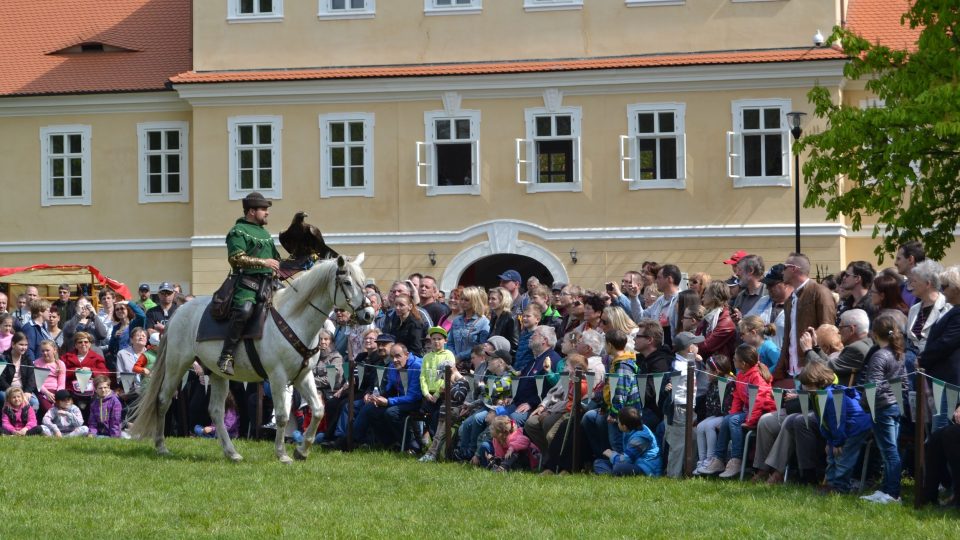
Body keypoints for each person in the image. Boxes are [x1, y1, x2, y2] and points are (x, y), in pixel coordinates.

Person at [217, 191, 281, 376]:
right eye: (263, 209)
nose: (267, 212)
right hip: (246, 284)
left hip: (269, 283)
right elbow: (236, 258)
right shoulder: (237, 231)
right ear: (251, 211)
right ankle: (226, 356)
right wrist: (264, 263)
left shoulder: (266, 234)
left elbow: (275, 259)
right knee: (244, 311)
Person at [701, 344, 775, 478]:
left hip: (762, 411)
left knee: (734, 420)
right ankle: (719, 459)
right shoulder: (741, 374)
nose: (733, 361)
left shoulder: (757, 377)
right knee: (729, 419)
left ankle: (736, 460)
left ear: (744, 363)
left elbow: (758, 401)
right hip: (750, 411)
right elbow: (737, 398)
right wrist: (731, 414)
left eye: (735, 359)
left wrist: (750, 421)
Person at [799, 361, 872, 494]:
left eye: (809, 384)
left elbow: (837, 420)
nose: (805, 388)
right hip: (842, 428)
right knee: (831, 455)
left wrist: (838, 442)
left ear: (819, 381)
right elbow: (823, 420)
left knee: (843, 457)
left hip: (856, 427)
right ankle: (830, 484)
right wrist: (829, 441)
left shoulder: (832, 396)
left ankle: (840, 487)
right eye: (805, 384)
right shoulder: (816, 395)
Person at [859, 315, 908, 504]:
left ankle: (893, 493)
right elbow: (903, 383)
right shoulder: (898, 353)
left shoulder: (880, 355)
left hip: (881, 407)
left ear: (874, 333)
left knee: (889, 451)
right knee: (890, 449)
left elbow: (873, 385)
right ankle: (887, 489)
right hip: (894, 406)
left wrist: (865, 404)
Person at [772, 253, 837, 387]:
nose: (782, 271)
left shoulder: (820, 292)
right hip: (793, 368)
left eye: (785, 267)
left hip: (814, 369)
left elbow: (828, 334)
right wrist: (781, 367)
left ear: (794, 269)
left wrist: (821, 367)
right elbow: (787, 338)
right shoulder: (790, 299)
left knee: (815, 407)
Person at [582, 330, 640, 459]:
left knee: (617, 443)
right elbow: (609, 389)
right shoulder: (616, 362)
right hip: (612, 408)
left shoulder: (623, 366)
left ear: (610, 345)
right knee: (590, 417)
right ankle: (603, 459)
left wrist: (614, 414)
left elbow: (620, 393)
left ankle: (620, 465)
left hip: (623, 413)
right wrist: (603, 406)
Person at [918, 264, 960, 432]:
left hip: (951, 381)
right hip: (944, 379)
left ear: (957, 288)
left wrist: (922, 358)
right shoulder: (954, 311)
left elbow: (946, 343)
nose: (942, 291)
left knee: (942, 432)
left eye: (945, 286)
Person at [663, 331, 701, 478]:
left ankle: (688, 472)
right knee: (678, 443)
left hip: (687, 406)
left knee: (691, 439)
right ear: (690, 348)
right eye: (695, 344)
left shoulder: (686, 361)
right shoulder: (679, 366)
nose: (698, 346)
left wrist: (697, 359)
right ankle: (673, 475)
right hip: (679, 407)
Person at [418, 358, 471, 463]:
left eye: (445, 376)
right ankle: (430, 454)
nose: (444, 379)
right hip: (444, 412)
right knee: (437, 435)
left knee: (441, 435)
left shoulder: (463, 382)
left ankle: (433, 455)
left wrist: (449, 388)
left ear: (452, 370)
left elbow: (460, 397)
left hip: (452, 412)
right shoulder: (452, 384)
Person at [693, 354, 734, 475]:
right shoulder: (712, 384)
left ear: (716, 371)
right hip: (716, 415)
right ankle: (702, 460)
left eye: (708, 370)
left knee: (709, 425)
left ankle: (712, 460)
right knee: (701, 426)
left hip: (726, 415)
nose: (705, 372)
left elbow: (728, 407)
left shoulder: (730, 383)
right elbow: (710, 405)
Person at [593, 406, 661, 477]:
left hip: (647, 469)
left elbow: (625, 460)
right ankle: (613, 476)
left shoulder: (640, 438)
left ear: (624, 426)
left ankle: (612, 475)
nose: (617, 423)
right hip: (634, 463)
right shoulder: (631, 428)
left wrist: (611, 454)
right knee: (598, 462)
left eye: (618, 422)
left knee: (618, 467)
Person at [905, 260, 949, 354]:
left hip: (936, 364)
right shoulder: (914, 309)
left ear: (928, 284)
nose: (911, 284)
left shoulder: (947, 308)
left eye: (914, 281)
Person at [419, 326, 456, 435]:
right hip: (428, 396)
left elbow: (448, 376)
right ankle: (432, 445)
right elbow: (423, 376)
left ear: (445, 340)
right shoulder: (426, 357)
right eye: (433, 339)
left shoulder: (448, 355)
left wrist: (437, 394)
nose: (436, 341)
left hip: (442, 395)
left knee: (437, 419)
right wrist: (426, 393)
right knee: (427, 418)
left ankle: (438, 446)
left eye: (439, 339)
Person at [446, 286, 490, 366]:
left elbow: (481, 346)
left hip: (472, 365)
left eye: (466, 300)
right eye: (461, 299)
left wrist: (460, 356)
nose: (462, 302)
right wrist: (453, 356)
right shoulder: (457, 320)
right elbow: (450, 342)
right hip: (454, 363)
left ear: (475, 301)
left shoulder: (484, 322)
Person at [696, 281, 736, 361]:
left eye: (706, 293)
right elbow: (696, 337)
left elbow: (707, 346)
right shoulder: (708, 315)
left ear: (714, 296)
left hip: (719, 368)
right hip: (707, 363)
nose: (703, 296)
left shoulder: (726, 320)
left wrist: (690, 347)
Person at [0, 332, 38, 410]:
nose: (24, 347)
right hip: (6, 389)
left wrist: (28, 392)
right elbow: (1, 379)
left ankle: (29, 422)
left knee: (35, 404)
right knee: (8, 401)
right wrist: (12, 391)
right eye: (21, 344)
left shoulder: (27, 359)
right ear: (13, 344)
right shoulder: (3, 358)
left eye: (26, 345)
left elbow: (32, 378)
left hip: (23, 389)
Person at [731, 255, 766, 324]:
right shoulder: (741, 296)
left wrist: (743, 321)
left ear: (751, 270)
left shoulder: (769, 293)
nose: (737, 274)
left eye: (740, 270)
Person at [33, 339, 66, 413]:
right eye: (43, 351)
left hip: (56, 391)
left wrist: (58, 395)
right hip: (43, 391)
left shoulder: (60, 364)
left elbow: (61, 383)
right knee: (47, 407)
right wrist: (46, 393)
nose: (45, 353)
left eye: (47, 350)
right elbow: (38, 383)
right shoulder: (37, 363)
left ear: (54, 350)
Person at [487, 286, 519, 358]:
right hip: (493, 357)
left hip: (503, 361)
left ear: (503, 300)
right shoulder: (494, 317)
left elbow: (514, 346)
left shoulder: (511, 318)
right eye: (489, 298)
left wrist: (506, 361)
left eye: (493, 299)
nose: (490, 301)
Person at [894, 240, 924, 306]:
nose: (895, 263)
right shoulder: (901, 288)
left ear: (910, 259)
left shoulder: (928, 289)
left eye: (898, 259)